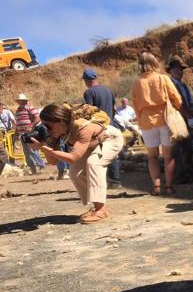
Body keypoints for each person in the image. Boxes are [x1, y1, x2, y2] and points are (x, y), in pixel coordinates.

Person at [31, 104, 123, 223]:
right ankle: (95, 206)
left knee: (94, 163)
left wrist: (46, 148)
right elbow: (52, 161)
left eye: (49, 125)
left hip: (109, 139)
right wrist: (45, 144)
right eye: (44, 125)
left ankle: (101, 210)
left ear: (61, 121)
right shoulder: (57, 132)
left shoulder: (83, 127)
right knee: (75, 172)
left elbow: (73, 158)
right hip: (91, 144)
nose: (47, 128)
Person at [131, 52, 183, 195]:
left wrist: (140, 118)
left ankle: (156, 187)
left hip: (146, 121)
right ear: (154, 63)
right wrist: (176, 108)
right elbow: (176, 98)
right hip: (165, 119)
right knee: (168, 156)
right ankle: (169, 187)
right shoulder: (163, 78)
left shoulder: (137, 83)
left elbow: (135, 105)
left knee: (152, 156)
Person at [82, 68, 121, 189]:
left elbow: (89, 111)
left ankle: (102, 181)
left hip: (98, 127)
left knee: (97, 154)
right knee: (111, 154)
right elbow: (114, 108)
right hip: (111, 125)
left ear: (87, 80)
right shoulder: (109, 91)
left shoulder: (88, 93)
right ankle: (115, 180)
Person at [14, 93, 46, 174]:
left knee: (32, 150)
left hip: (29, 133)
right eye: (20, 101)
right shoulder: (17, 111)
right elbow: (18, 123)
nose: (21, 102)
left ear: (25, 101)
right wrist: (16, 133)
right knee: (26, 153)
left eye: (22, 101)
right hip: (22, 134)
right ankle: (33, 169)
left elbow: (38, 118)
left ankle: (41, 165)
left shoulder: (30, 108)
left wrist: (31, 125)